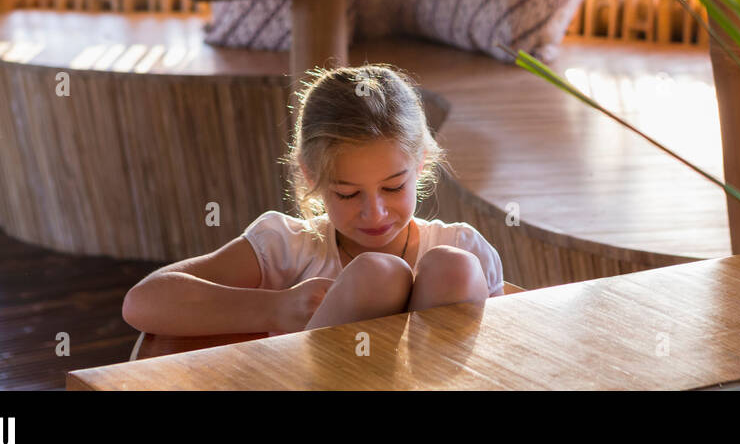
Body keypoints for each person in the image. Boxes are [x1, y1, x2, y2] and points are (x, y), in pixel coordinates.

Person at [122, 64, 504, 337]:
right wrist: (279, 308)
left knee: (455, 268)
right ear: (310, 176)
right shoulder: (290, 248)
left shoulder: (460, 246)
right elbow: (143, 302)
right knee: (377, 277)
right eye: (347, 193)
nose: (375, 212)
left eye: (392, 187)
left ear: (419, 165)